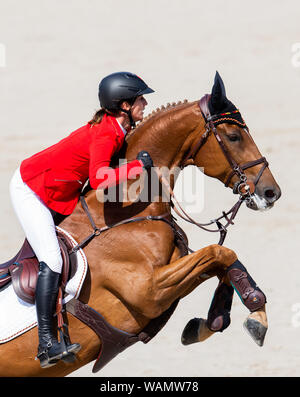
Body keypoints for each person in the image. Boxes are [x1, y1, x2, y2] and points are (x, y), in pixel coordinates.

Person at [9, 71, 154, 368]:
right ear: (124, 105)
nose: (145, 103)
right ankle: (47, 343)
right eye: (140, 98)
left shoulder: (117, 129)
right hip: (31, 190)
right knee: (53, 259)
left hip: (59, 192)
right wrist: (137, 167)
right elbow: (101, 179)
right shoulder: (107, 132)